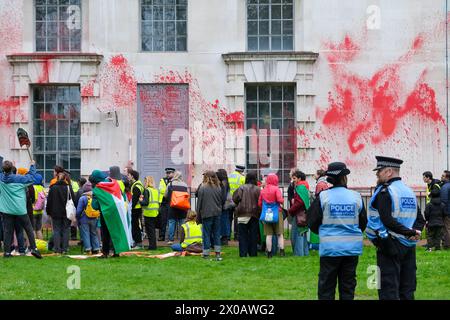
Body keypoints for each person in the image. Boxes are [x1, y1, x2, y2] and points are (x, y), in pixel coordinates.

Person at [366, 156, 425, 300]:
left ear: (389, 172)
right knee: (407, 289)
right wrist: (415, 232)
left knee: (388, 289)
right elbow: (420, 219)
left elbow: (387, 220)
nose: (377, 175)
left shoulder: (385, 191)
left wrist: (410, 232)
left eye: (379, 171)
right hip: (409, 246)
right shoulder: (409, 192)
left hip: (389, 245)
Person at [307, 162, 367, 300]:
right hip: (351, 249)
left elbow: (312, 221)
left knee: (326, 288)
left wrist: (325, 231)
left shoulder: (323, 197)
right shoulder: (356, 197)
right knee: (348, 288)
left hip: (330, 248)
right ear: (345, 178)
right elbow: (363, 223)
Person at [0, 160, 42, 259]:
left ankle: (7, 252)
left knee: (7, 231)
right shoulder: (19, 178)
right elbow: (32, 177)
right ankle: (34, 249)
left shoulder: (1, 178)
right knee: (29, 229)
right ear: (12, 168)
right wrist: (32, 165)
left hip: (7, 209)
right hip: (20, 209)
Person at [196, 171, 224, 260]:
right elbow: (221, 202)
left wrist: (198, 214)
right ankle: (218, 253)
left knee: (206, 234)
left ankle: (206, 254)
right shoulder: (218, 187)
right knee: (216, 233)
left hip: (206, 213)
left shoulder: (202, 187)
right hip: (217, 213)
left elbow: (199, 203)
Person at [232, 171, 261, 257]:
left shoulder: (241, 188)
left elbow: (235, 199)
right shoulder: (258, 189)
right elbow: (260, 201)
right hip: (255, 214)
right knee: (253, 234)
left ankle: (243, 253)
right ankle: (253, 253)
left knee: (242, 235)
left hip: (242, 213)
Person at [46, 170, 75, 254]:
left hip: (55, 212)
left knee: (56, 230)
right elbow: (73, 199)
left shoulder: (52, 188)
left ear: (57, 178)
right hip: (67, 212)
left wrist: (48, 211)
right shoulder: (68, 188)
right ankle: (65, 248)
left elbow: (49, 201)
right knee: (66, 230)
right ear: (65, 178)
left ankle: (57, 248)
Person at [258, 173, 285, 258]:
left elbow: (259, 203)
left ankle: (269, 253)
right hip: (277, 212)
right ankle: (282, 252)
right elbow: (280, 200)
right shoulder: (276, 189)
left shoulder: (263, 190)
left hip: (267, 214)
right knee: (279, 234)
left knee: (268, 235)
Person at [288, 170, 310, 256]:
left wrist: (290, 210)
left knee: (297, 235)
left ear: (299, 179)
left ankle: (298, 253)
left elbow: (299, 202)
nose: (293, 180)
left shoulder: (300, 187)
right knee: (302, 234)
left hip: (299, 215)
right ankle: (304, 253)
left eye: (294, 178)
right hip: (303, 214)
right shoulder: (304, 186)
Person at [164, 171, 189, 245]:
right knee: (182, 223)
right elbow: (187, 195)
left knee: (171, 223)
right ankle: (182, 239)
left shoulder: (170, 184)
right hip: (182, 207)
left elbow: (165, 195)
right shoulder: (184, 185)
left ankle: (171, 240)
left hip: (172, 207)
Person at [76, 182, 100, 254]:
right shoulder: (95, 197)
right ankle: (96, 248)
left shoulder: (82, 198)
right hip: (94, 217)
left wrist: (78, 217)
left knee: (85, 233)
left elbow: (78, 210)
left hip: (84, 219)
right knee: (94, 233)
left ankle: (88, 249)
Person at [140, 176, 159, 250]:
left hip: (148, 213)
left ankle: (152, 246)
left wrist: (141, 200)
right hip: (155, 212)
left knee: (150, 231)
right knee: (153, 230)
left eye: (145, 181)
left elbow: (146, 203)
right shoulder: (155, 190)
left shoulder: (147, 190)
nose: (144, 183)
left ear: (147, 182)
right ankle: (153, 245)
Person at [127, 169, 144, 249]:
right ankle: (137, 242)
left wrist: (130, 207)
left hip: (135, 209)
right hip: (137, 208)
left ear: (132, 176)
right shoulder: (138, 184)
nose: (127, 177)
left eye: (128, 175)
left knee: (135, 226)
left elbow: (135, 199)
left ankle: (138, 243)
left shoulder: (136, 186)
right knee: (136, 225)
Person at [228, 165, 246, 240]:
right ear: (242, 171)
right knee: (237, 218)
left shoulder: (229, 176)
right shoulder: (242, 178)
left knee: (228, 218)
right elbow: (245, 189)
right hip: (238, 201)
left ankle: (227, 236)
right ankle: (236, 236)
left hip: (229, 200)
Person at [217, 169, 233, 245]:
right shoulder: (226, 182)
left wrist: (220, 204)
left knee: (224, 221)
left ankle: (224, 238)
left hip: (223, 206)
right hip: (226, 205)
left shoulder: (223, 183)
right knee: (226, 220)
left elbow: (223, 196)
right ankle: (226, 237)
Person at [158, 168, 174, 241]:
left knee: (172, 221)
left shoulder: (175, 181)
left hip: (172, 203)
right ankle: (162, 236)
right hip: (164, 203)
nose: (167, 174)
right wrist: (168, 189)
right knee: (162, 220)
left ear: (173, 173)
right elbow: (161, 190)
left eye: (169, 173)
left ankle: (171, 237)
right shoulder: (162, 180)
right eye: (167, 173)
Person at [32, 173, 46, 240]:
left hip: (33, 211)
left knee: (33, 230)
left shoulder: (33, 187)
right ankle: (41, 243)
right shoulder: (42, 188)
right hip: (40, 211)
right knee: (39, 229)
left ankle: (34, 245)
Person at [440, 171, 450, 250]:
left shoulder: (445, 187)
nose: (441, 177)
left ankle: (447, 245)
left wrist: (442, 212)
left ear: (447, 177)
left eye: (443, 176)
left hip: (447, 212)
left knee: (446, 229)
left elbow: (444, 201)